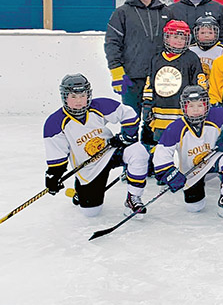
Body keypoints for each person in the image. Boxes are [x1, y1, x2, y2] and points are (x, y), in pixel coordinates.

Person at [43, 74, 149, 218]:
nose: (79, 101)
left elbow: (128, 114)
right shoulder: (55, 123)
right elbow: (58, 154)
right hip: (89, 167)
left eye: (82, 95)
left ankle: (133, 199)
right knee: (91, 212)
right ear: (64, 97)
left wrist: (127, 136)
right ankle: (79, 193)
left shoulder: (99, 106)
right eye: (73, 97)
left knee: (138, 151)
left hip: (111, 151)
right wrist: (54, 176)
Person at [151, 86, 223, 219]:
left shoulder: (216, 116)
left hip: (214, 161)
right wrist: (169, 173)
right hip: (192, 172)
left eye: (200, 105)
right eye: (191, 106)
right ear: (184, 107)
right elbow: (162, 154)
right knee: (195, 207)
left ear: (207, 105)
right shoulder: (176, 127)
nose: (195, 110)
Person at [105, 0, 171, 117]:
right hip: (132, 76)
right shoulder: (122, 12)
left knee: (156, 119)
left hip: (160, 76)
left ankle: (151, 141)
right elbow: (112, 43)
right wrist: (116, 72)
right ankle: (130, 139)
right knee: (131, 117)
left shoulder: (166, 12)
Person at [141, 20, 205, 145]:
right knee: (160, 146)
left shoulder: (191, 58)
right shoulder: (157, 58)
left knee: (184, 145)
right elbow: (150, 84)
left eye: (183, 38)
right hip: (160, 112)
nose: (179, 41)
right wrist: (147, 105)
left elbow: (199, 83)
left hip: (182, 112)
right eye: (175, 37)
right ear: (167, 37)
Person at [188, 15, 223, 79]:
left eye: (210, 33)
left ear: (216, 33)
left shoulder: (221, 50)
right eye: (202, 33)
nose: (206, 35)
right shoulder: (191, 49)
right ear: (196, 34)